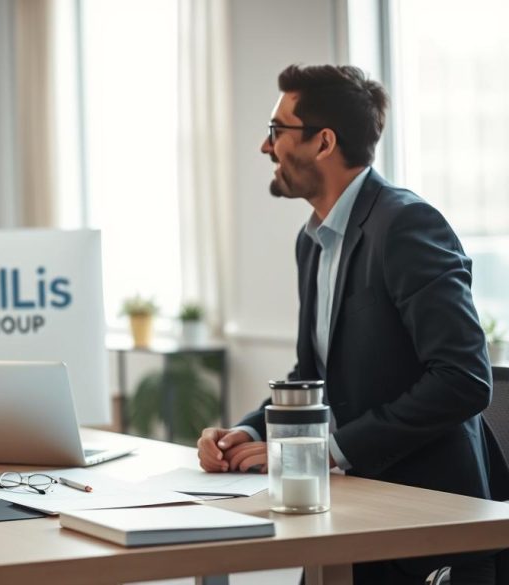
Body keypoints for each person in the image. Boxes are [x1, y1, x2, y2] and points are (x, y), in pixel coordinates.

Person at [197, 65, 498, 583]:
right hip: (349, 509)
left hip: (425, 523)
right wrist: (246, 432)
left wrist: (328, 451)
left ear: (323, 143)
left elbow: (464, 379)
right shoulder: (312, 240)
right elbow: (312, 374)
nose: (265, 147)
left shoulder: (405, 225)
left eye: (276, 131)